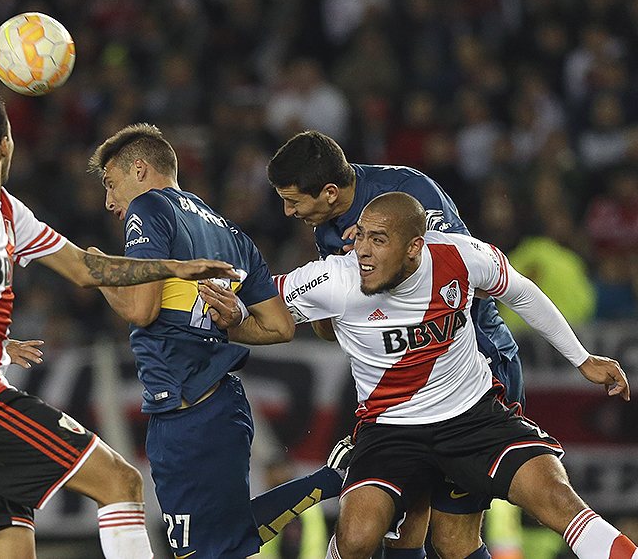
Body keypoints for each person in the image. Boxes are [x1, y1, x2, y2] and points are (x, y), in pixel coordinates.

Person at [0, 86, 239, 559]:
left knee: (13, 546)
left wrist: (171, 266)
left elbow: (83, 267)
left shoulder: (6, 209)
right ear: (6, 142)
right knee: (120, 482)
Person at [210, 192, 635, 559]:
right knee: (357, 539)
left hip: (473, 418)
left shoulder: (462, 256)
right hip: (390, 430)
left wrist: (581, 358)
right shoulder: (334, 279)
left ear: (415, 246)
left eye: (380, 240)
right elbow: (263, 304)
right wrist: (233, 315)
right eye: (361, 237)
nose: (364, 251)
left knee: (551, 503)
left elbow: (522, 291)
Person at [89, 123, 344, 559]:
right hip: (220, 408)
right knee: (227, 543)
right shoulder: (230, 233)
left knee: (204, 552)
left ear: (139, 169)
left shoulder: (149, 208)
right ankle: (333, 477)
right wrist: (227, 323)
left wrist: (97, 269)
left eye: (112, 185)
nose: (109, 201)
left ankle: (335, 478)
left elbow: (141, 309)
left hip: (186, 416)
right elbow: (280, 326)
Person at [266, 130, 524, 559]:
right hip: (404, 391)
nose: (288, 211)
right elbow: (342, 316)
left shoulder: (409, 192)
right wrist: (318, 304)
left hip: (473, 371)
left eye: (294, 200)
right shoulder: (327, 228)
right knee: (401, 531)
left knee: (452, 539)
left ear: (330, 192)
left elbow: (457, 276)